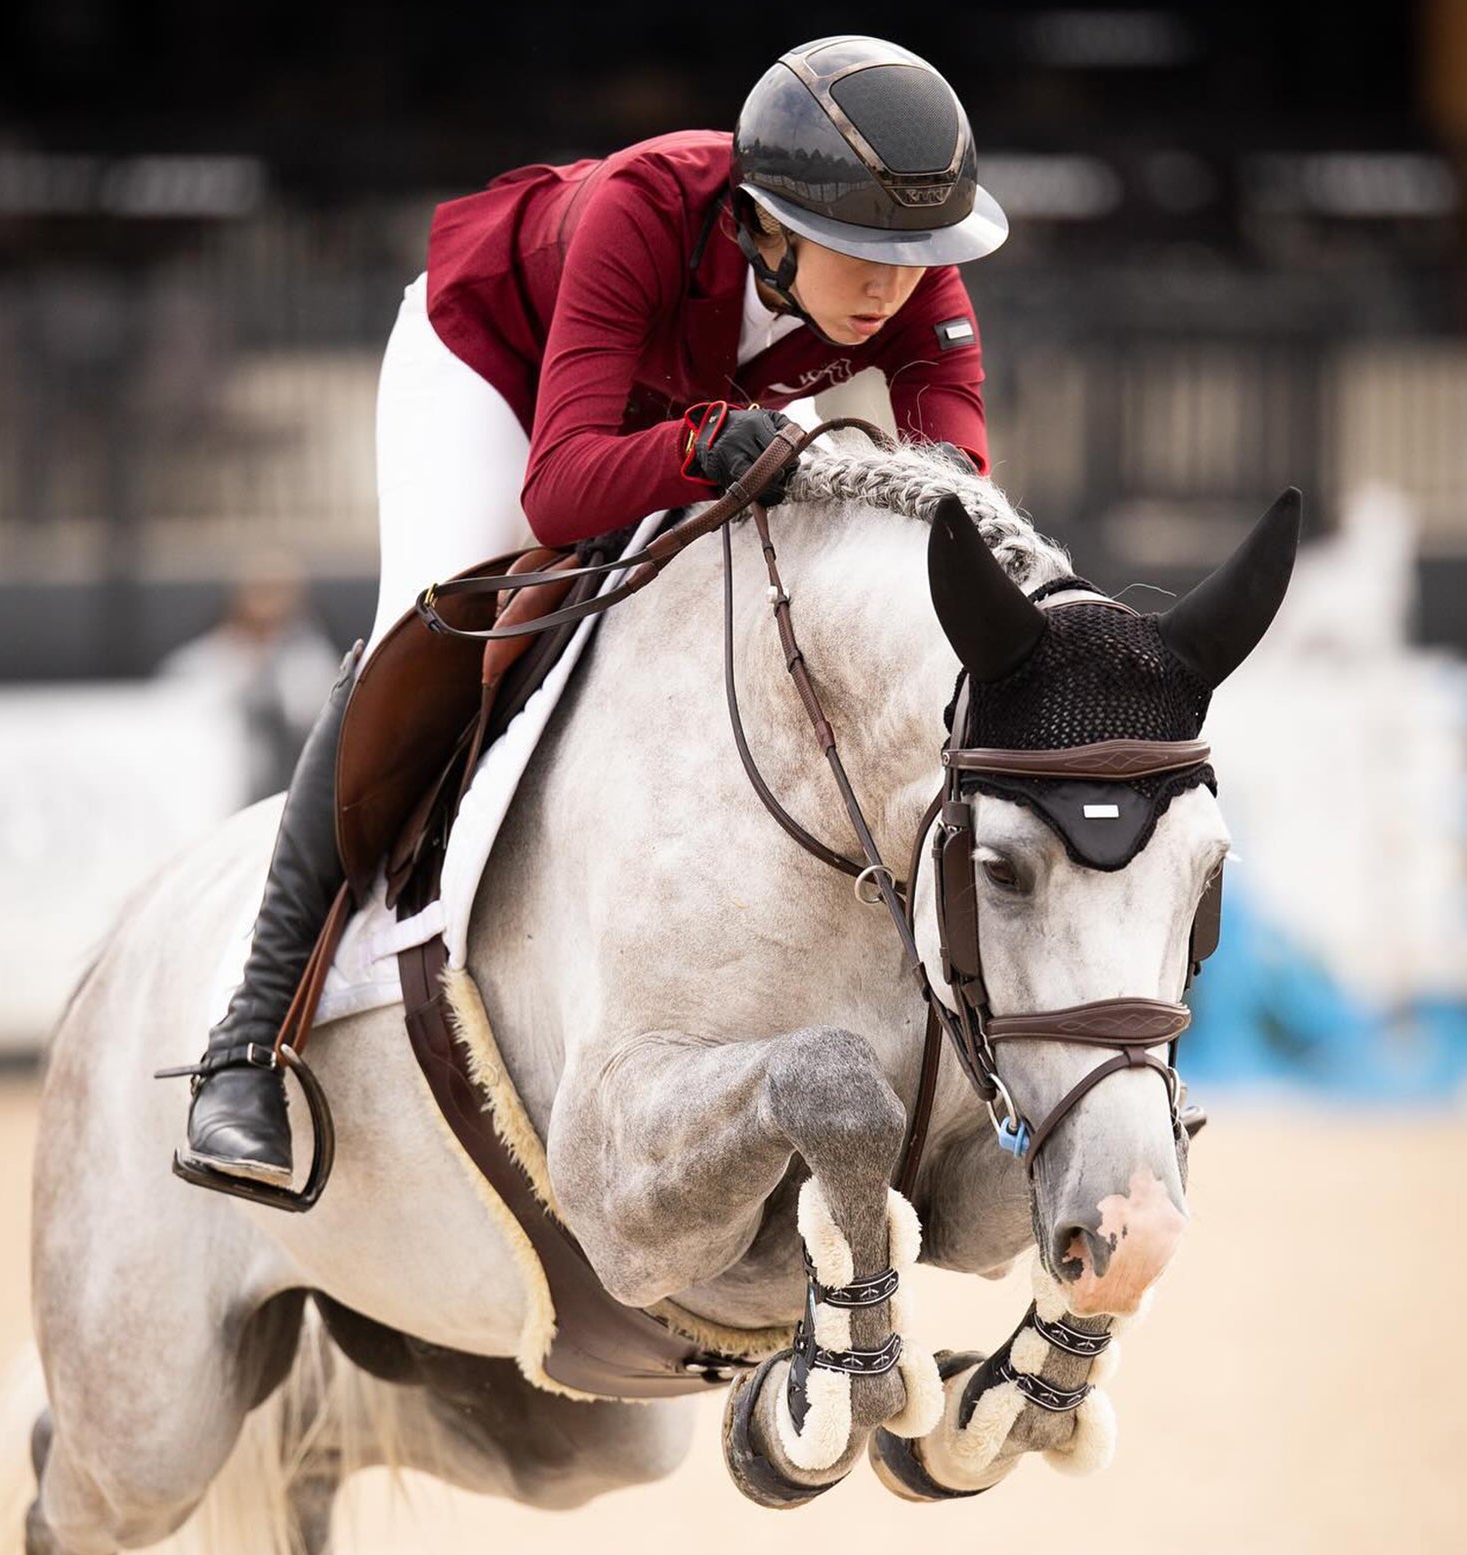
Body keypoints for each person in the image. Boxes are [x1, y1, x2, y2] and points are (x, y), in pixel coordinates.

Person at [176, 32, 1009, 1190]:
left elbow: (956, 490)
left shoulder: (910, 268)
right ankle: (243, 1044)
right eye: (859, 252)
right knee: (437, 627)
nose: (892, 286)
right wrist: (707, 443)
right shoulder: (644, 204)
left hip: (668, 403)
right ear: (765, 220)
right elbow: (559, 484)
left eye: (916, 258)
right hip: (495, 365)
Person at [157, 557, 340, 804]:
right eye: (262, 589)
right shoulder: (202, 661)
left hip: (289, 798)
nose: (270, 601)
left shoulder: (312, 660)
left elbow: (325, 723)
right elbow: (171, 719)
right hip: (212, 794)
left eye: (279, 590)